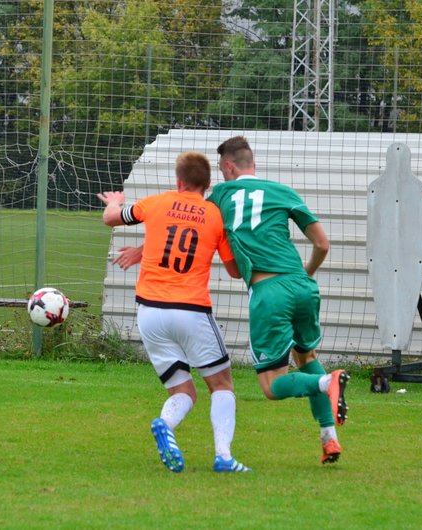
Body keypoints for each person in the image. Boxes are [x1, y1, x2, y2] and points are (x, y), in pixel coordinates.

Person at [97, 151, 251, 474]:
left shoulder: (156, 203)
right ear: (207, 184)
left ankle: (165, 423)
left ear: (178, 181)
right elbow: (235, 270)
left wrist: (115, 201)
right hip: (190, 310)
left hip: (149, 312)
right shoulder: (214, 215)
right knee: (221, 384)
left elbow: (111, 218)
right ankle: (224, 456)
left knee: (183, 389)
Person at [209, 135, 349, 464]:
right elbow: (323, 244)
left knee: (272, 386)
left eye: (221, 169)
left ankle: (327, 381)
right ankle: (329, 437)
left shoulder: (220, 195)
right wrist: (306, 274)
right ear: (253, 164)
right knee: (306, 355)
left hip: (269, 292)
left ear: (228, 166)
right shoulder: (283, 191)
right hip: (302, 285)